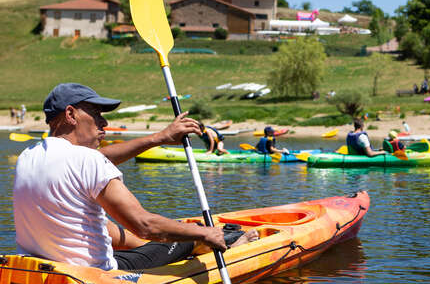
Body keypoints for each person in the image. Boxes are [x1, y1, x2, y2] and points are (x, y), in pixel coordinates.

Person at [13, 83, 257, 271]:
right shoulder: (88, 161)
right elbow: (145, 225)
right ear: (71, 114)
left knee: (112, 228)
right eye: (96, 113)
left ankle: (166, 247)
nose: (104, 122)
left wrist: (159, 138)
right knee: (192, 234)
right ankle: (227, 244)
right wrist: (204, 233)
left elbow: (98, 160)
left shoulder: (29, 156)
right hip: (97, 277)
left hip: (47, 270)